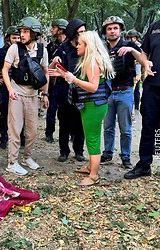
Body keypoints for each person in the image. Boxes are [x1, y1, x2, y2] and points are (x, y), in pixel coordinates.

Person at [50, 31, 116, 186]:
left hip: (94, 106)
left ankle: (93, 176)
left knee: (93, 139)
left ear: (88, 45)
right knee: (91, 137)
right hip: (93, 105)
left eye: (80, 43)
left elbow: (92, 87)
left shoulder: (92, 61)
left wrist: (72, 79)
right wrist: (66, 75)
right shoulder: (92, 60)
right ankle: (90, 168)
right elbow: (83, 81)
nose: (77, 45)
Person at [124, 0, 160, 185]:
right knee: (149, 126)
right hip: (153, 86)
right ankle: (144, 164)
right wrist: (145, 62)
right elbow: (143, 53)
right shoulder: (155, 27)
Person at [2, 16, 49, 176]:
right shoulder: (14, 49)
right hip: (17, 93)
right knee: (15, 130)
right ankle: (12, 162)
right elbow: (5, 70)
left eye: (26, 31)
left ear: (34, 33)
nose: (22, 34)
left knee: (32, 131)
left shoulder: (43, 50)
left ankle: (27, 157)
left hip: (33, 95)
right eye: (21, 31)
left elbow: (45, 72)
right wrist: (10, 89)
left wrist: (45, 93)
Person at [100, 16, 146, 170]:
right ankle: (107, 153)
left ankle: (125, 157)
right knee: (108, 127)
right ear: (105, 31)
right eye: (109, 28)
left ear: (120, 30)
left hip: (125, 92)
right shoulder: (103, 48)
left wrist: (132, 49)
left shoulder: (129, 45)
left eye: (115, 28)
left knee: (125, 128)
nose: (112, 31)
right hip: (108, 93)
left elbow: (143, 60)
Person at [50, 19, 87, 162]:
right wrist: (55, 60)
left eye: (84, 31)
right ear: (73, 33)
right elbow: (51, 69)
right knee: (64, 122)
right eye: (80, 32)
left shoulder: (86, 48)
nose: (83, 34)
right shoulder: (63, 48)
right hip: (64, 91)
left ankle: (79, 151)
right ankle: (63, 151)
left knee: (80, 123)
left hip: (81, 90)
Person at [0, 26, 23, 149]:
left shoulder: (23, 51)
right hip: (5, 87)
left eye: (18, 38)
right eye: (14, 37)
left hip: (20, 87)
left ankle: (22, 138)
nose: (16, 40)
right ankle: (3, 139)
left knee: (20, 115)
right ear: (8, 38)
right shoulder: (0, 53)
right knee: (4, 114)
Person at [45, 18, 68, 143]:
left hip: (67, 82)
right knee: (51, 109)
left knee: (68, 111)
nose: (51, 30)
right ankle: (49, 133)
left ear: (61, 29)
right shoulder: (50, 47)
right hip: (54, 82)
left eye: (54, 28)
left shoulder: (72, 46)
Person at [125, 29, 143, 116]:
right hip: (133, 71)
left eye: (130, 37)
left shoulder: (138, 47)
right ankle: (134, 108)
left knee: (134, 90)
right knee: (135, 90)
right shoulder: (127, 46)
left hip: (137, 71)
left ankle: (134, 109)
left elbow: (140, 61)